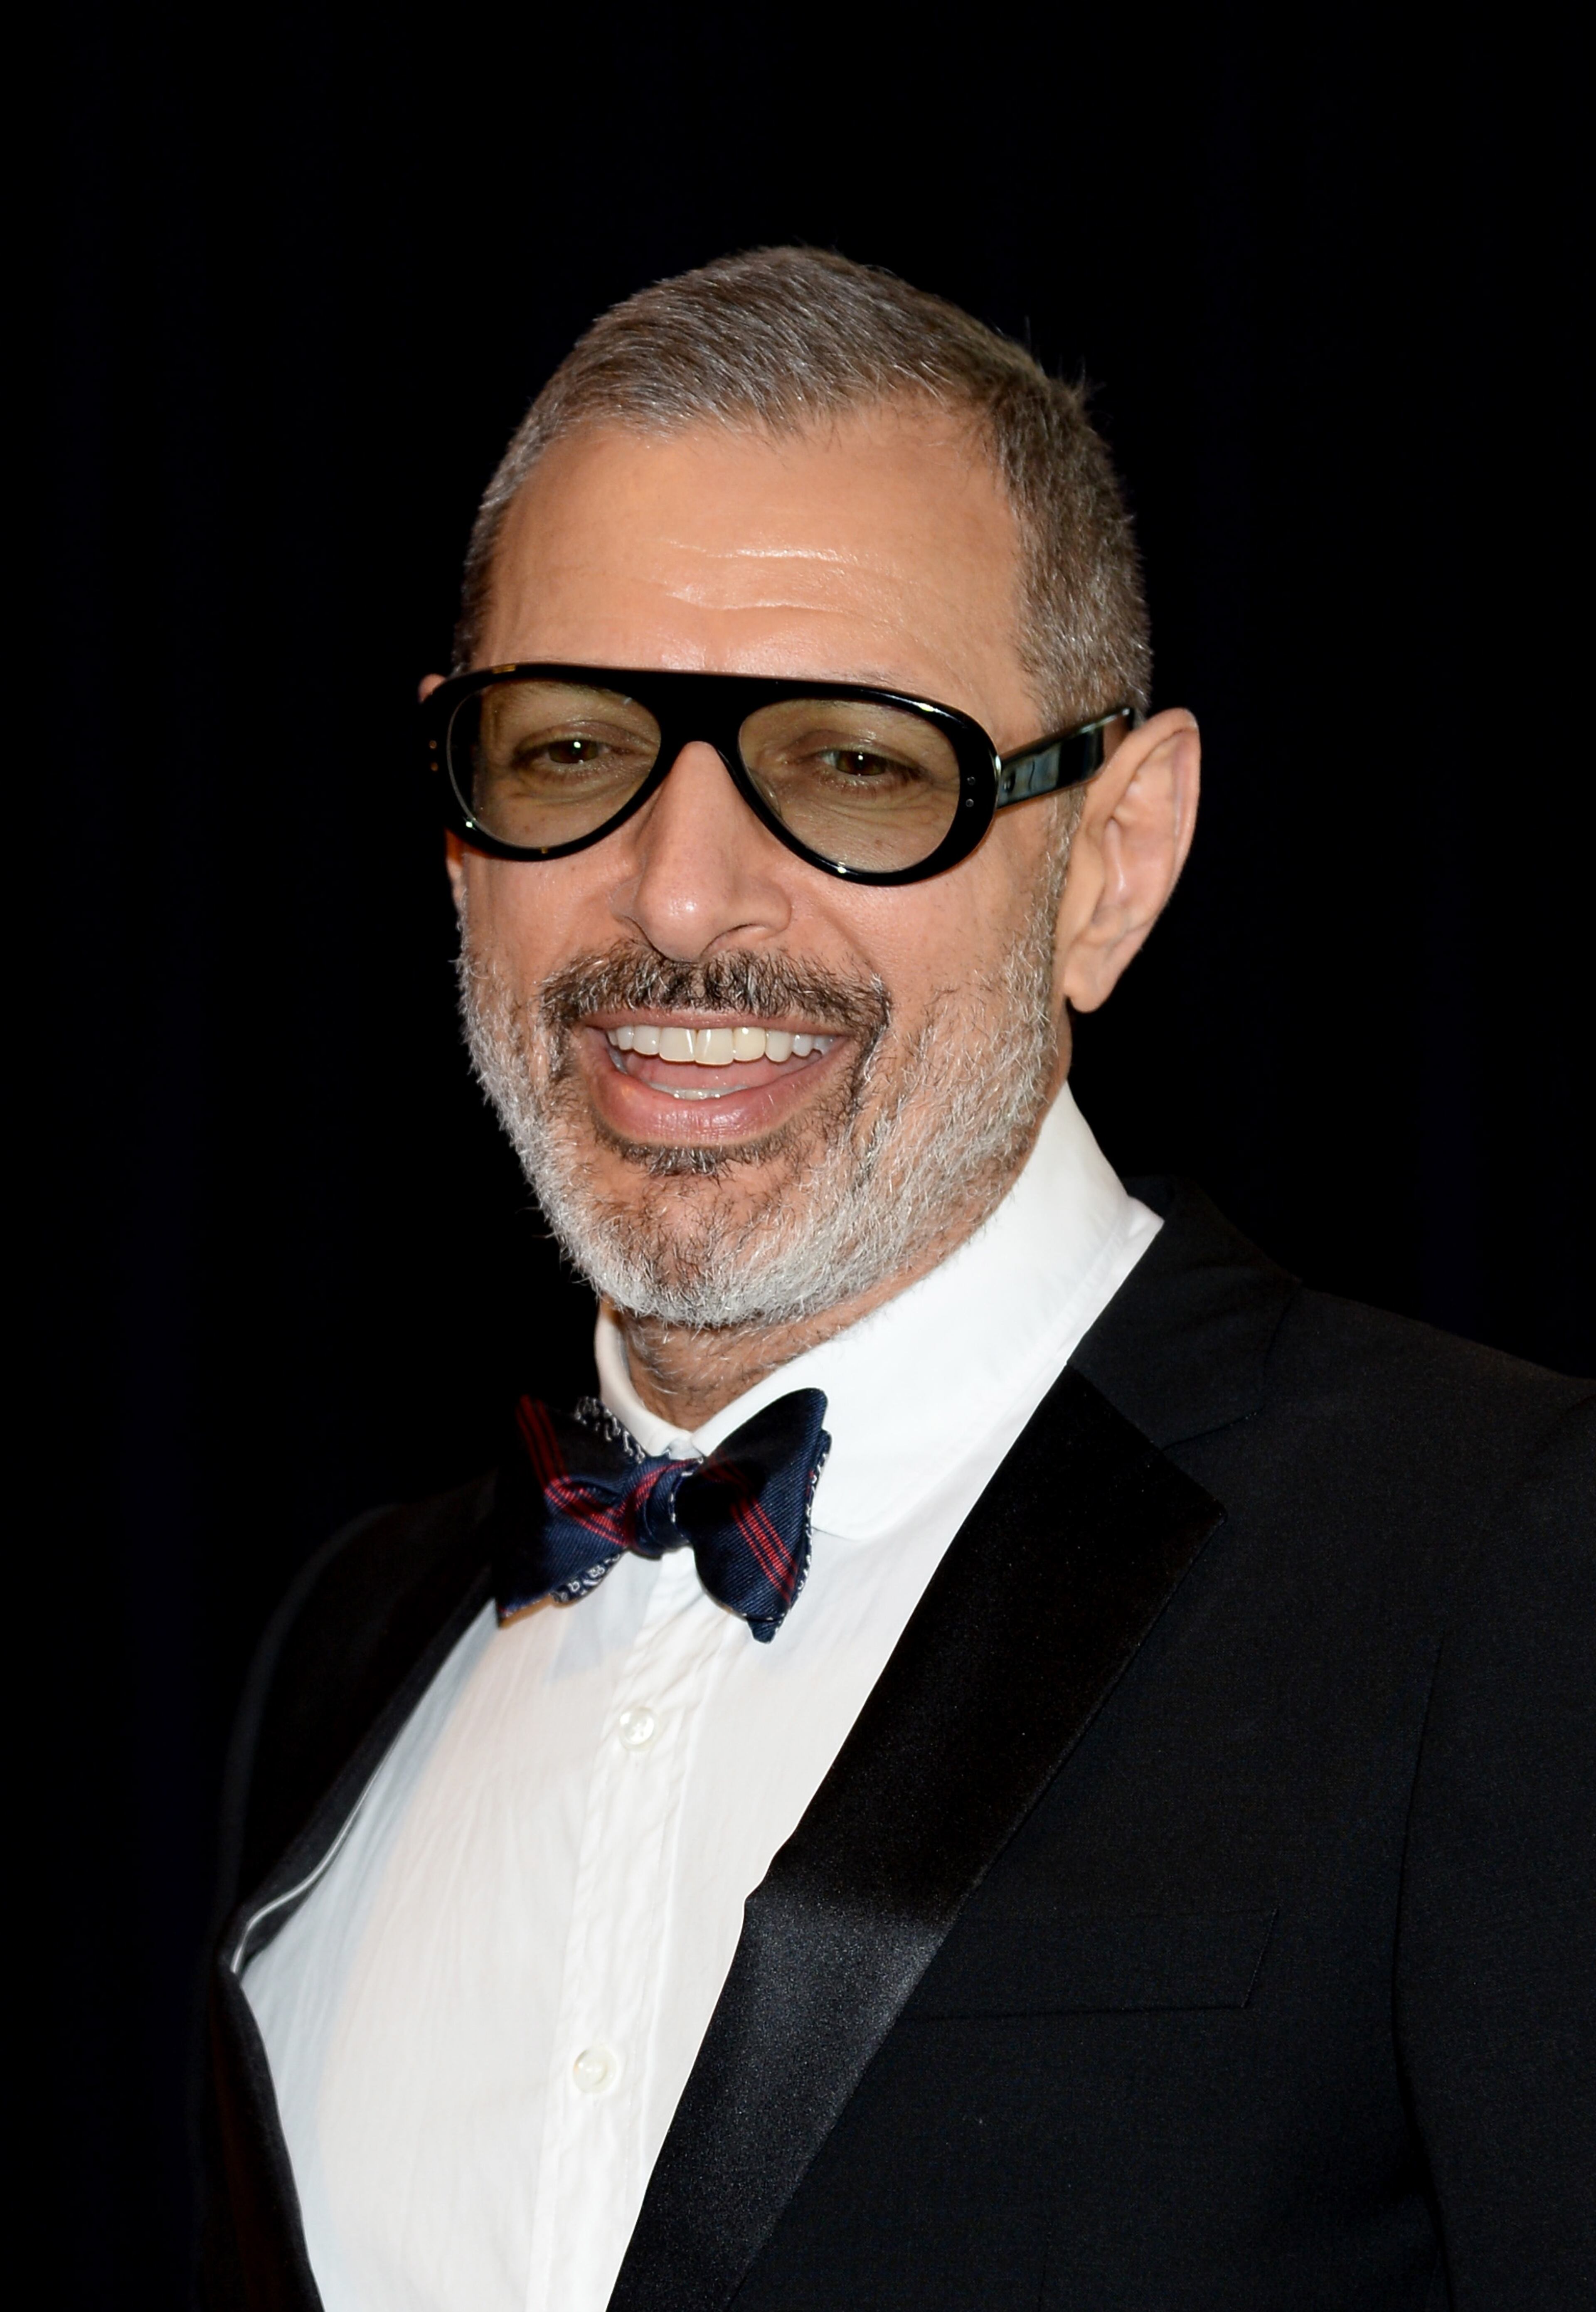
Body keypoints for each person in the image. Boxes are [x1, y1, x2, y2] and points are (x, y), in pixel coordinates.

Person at [201, 248, 1593, 2312]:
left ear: (1110, 858)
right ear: (458, 821)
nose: (682, 898)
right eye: (572, 747)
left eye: (857, 763)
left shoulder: (1507, 1564)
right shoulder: (346, 1649)